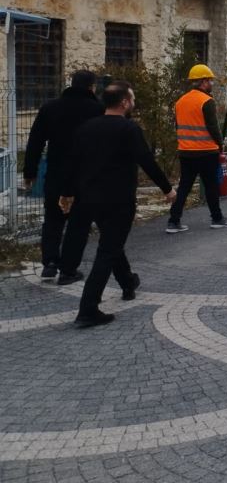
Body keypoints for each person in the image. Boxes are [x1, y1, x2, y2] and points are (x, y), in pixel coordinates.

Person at [59, 81, 176, 327]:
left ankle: (127, 282)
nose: (133, 103)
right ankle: (88, 309)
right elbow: (146, 160)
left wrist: (67, 193)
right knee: (108, 250)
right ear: (124, 102)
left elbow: (72, 163)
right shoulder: (128, 129)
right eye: (132, 99)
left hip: (88, 198)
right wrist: (167, 188)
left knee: (112, 243)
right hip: (118, 200)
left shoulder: (85, 128)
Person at [22, 69, 104, 282]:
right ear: (91, 87)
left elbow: (35, 141)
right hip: (85, 175)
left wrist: (29, 172)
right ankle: (69, 267)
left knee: (53, 218)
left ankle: (50, 261)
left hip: (57, 172)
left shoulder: (50, 108)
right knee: (79, 222)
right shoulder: (97, 109)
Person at [166, 64, 227, 233]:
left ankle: (173, 221)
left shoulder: (180, 101)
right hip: (206, 151)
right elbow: (214, 128)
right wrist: (220, 146)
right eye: (210, 80)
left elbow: (178, 126)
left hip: (185, 151)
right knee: (211, 185)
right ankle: (217, 218)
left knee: (184, 186)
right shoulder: (206, 101)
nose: (211, 83)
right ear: (203, 81)